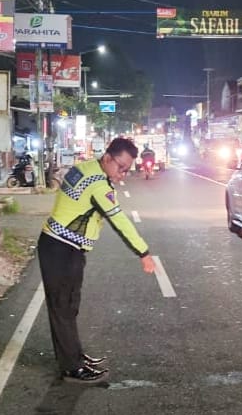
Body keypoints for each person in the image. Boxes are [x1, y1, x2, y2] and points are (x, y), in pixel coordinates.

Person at [38, 136, 157, 385]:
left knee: (68, 306)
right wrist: (144, 253)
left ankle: (75, 357)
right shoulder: (99, 185)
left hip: (60, 246)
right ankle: (72, 368)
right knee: (63, 307)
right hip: (62, 249)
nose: (122, 174)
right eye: (120, 167)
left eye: (127, 170)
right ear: (107, 158)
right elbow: (119, 220)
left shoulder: (85, 167)